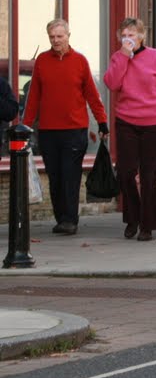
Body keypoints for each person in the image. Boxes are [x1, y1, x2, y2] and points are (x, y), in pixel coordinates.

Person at [22, 18, 108, 235]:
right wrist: (25, 126)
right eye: (52, 37)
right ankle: (61, 218)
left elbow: (92, 94)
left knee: (70, 175)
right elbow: (33, 97)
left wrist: (102, 121)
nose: (56, 40)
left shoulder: (80, 61)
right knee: (55, 176)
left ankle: (70, 220)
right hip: (49, 131)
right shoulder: (42, 61)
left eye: (60, 36)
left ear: (68, 36)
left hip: (74, 129)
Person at [103, 17, 156, 242]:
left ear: (141, 36)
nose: (128, 38)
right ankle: (132, 218)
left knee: (149, 176)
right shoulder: (118, 57)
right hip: (127, 121)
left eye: (132, 34)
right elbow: (112, 84)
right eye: (124, 35)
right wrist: (123, 57)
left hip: (154, 123)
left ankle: (147, 225)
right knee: (126, 172)